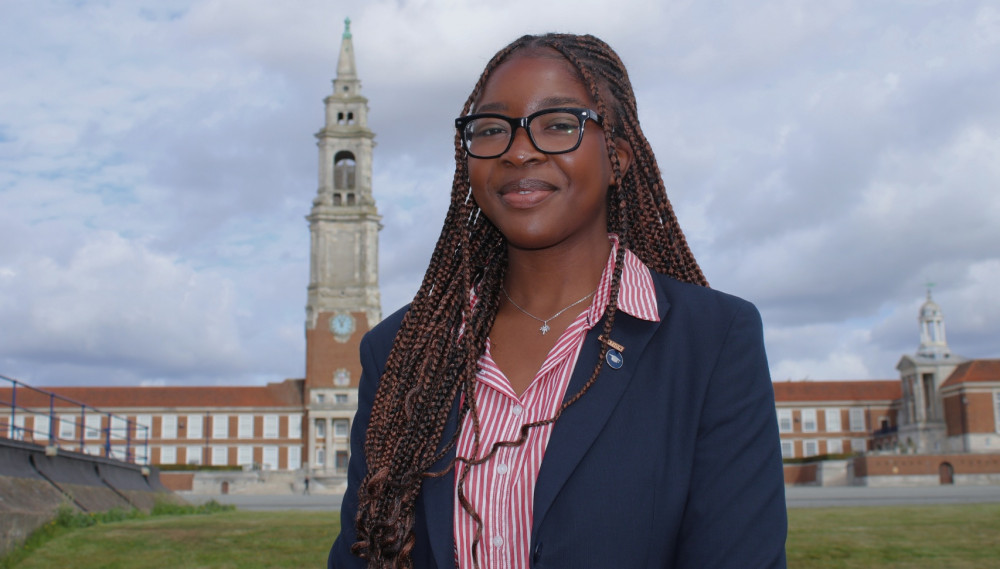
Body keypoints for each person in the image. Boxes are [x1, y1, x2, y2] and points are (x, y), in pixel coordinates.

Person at [329, 33, 787, 569]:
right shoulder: (403, 351)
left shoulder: (711, 340)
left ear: (617, 157)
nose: (519, 150)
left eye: (559, 124)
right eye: (492, 129)